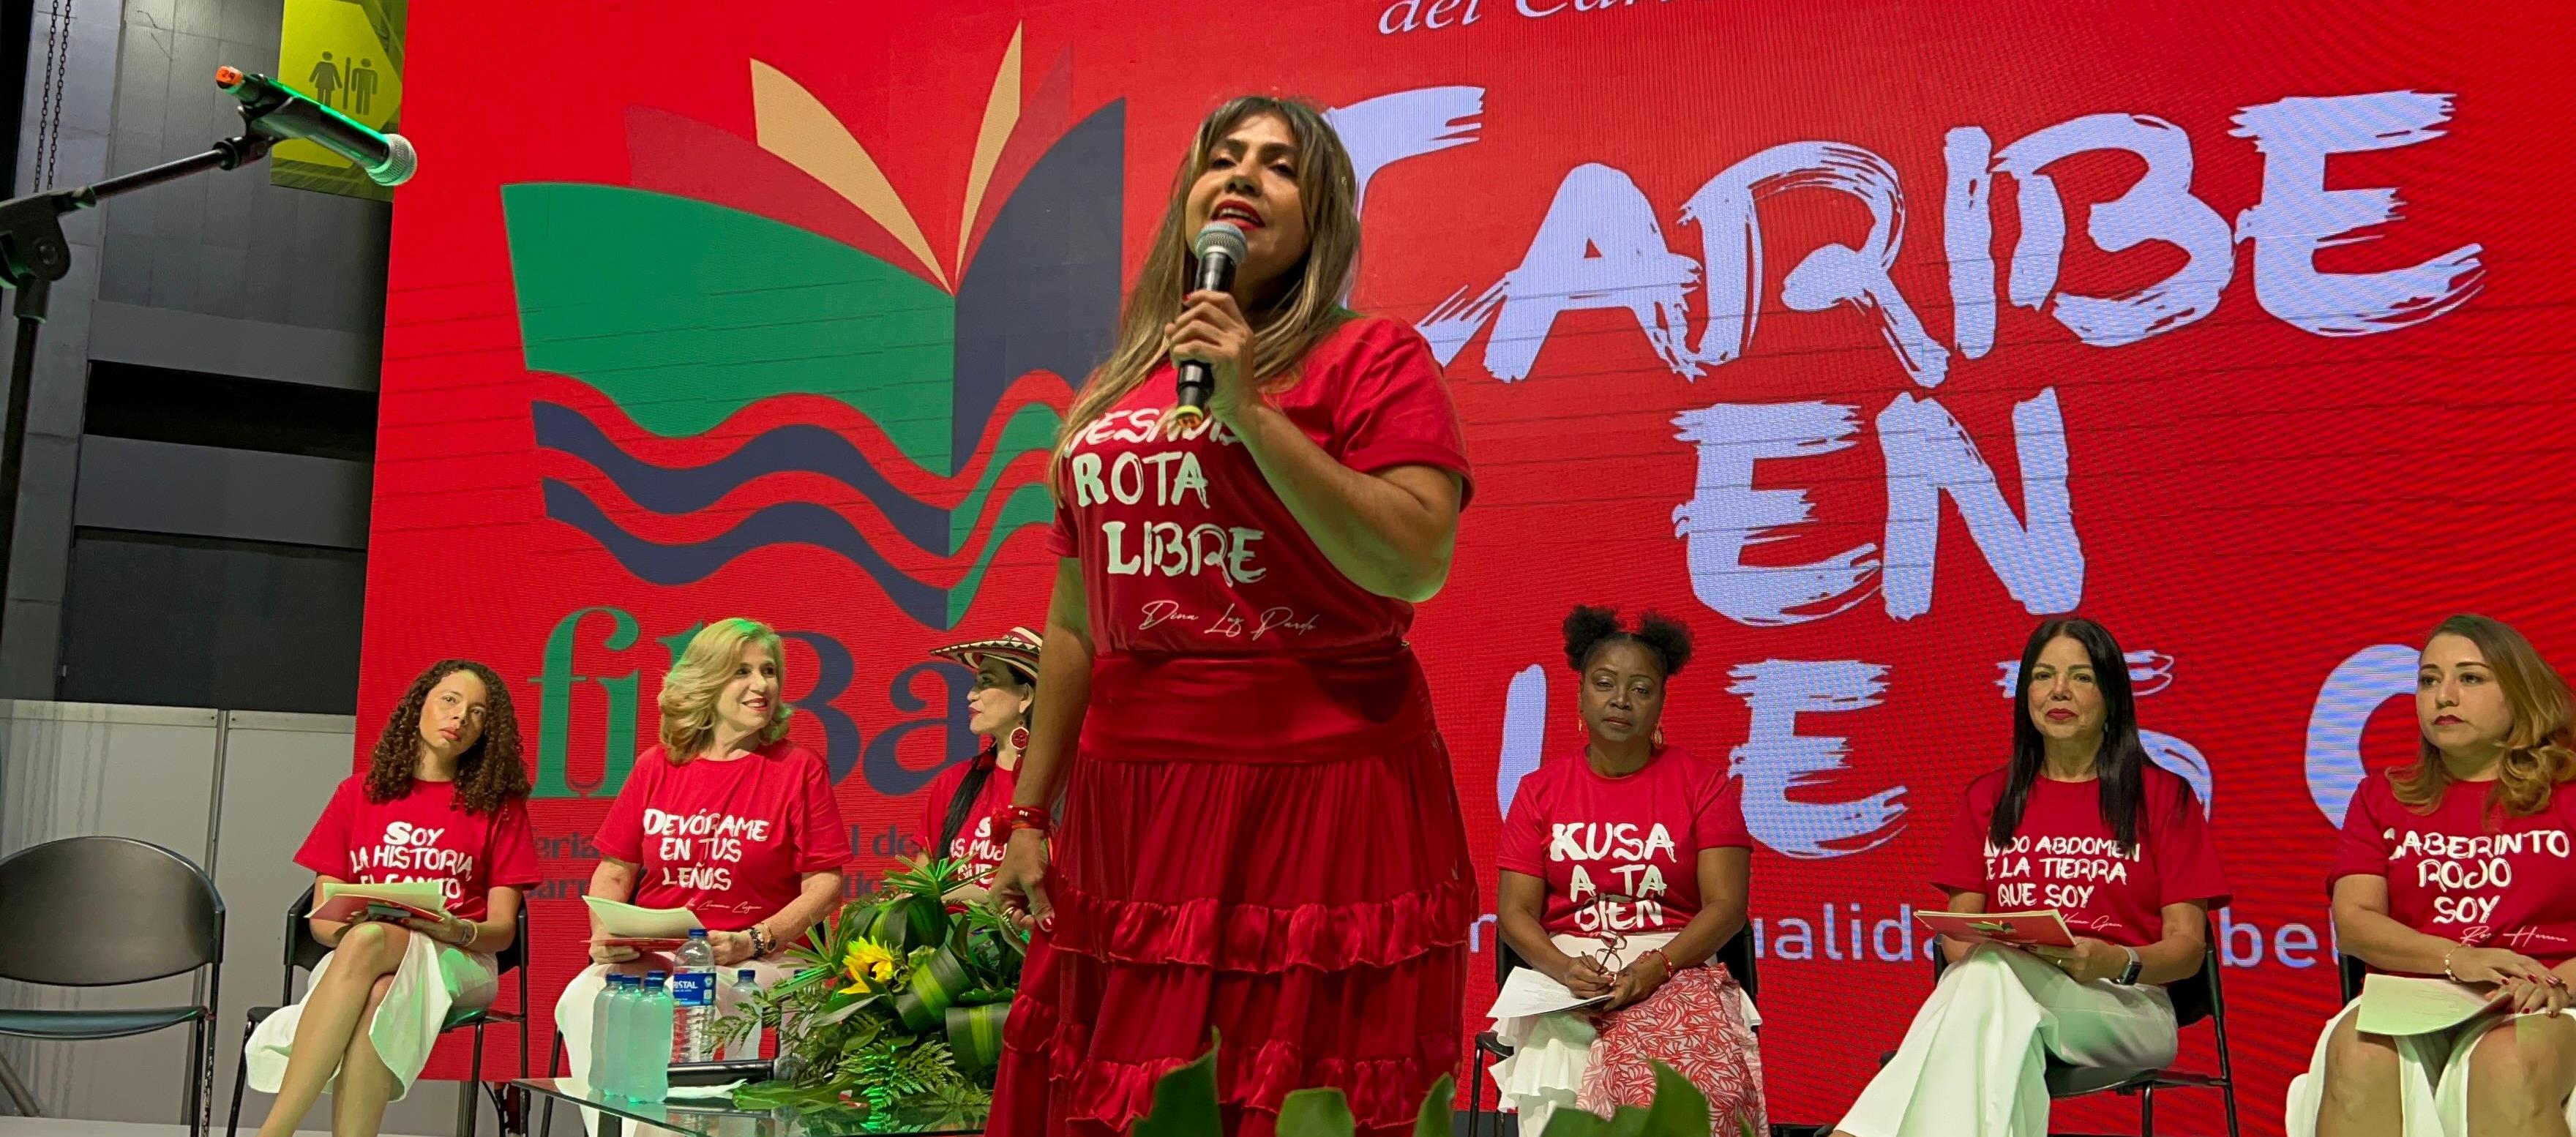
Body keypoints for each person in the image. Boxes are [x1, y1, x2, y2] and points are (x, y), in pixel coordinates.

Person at [984, 94, 1476, 1137]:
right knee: (1123, 1093)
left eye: (1281, 165)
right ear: (1192, 197)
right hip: (1133, 807)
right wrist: (1032, 809)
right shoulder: (1115, 389)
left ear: (1323, 214)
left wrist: (1249, 408)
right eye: (1225, 157)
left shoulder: (1372, 356)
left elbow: (1418, 556)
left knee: (1287, 1092)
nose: (1244, 176)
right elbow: (1077, 621)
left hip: (1316, 791)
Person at [1830, 617, 2231, 1137]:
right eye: (2043, 676)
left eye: (2081, 677)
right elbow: (1957, 937)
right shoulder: (1989, 798)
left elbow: (2185, 948)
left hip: (2126, 1006)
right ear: (2026, 694)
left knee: (1984, 991)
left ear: (2111, 694)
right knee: (1992, 999)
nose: (2059, 690)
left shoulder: (2162, 796)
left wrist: (2114, 959)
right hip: (2003, 994)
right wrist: (2012, 948)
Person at [2285, 614, 2576, 1137]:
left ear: (2519, 692)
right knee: (2355, 1048)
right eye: (2428, 679)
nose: (2444, 696)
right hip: (2422, 999)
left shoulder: (2569, 794)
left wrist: (2558, 983)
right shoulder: (2382, 796)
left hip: (2549, 995)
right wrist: (2456, 958)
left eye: (2470, 678)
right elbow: (2354, 922)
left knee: (2507, 1059)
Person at [553, 618, 850, 1115]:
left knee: (678, 1004)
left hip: (757, 960)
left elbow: (826, 886)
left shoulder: (797, 769)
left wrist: (755, 939)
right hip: (659, 954)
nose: (762, 686)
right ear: (707, 682)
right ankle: (620, 1128)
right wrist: (607, 934)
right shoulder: (658, 765)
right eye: (742, 672)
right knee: (583, 999)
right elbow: (613, 870)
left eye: (769, 671)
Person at [1490, 606, 1763, 1135]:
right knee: (1565, 1076)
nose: (1621, 699)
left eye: (1641, 689)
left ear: (1661, 702)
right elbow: (1514, 911)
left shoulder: (1703, 785)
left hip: (1676, 966)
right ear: (1581, 694)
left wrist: (1655, 968)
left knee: (1693, 1092)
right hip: (1568, 975)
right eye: (1605, 683)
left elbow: (1727, 908)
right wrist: (1561, 968)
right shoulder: (1539, 791)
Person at [244, 660, 540, 1137]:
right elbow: (321, 926)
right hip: (363, 963)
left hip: (460, 961)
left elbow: (503, 931)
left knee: (368, 943)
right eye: (449, 700)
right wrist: (361, 919)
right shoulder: (358, 794)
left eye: (479, 712)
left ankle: (273, 1132)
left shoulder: (498, 806)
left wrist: (451, 928)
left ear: (488, 731)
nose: (461, 717)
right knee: (379, 985)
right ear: (418, 705)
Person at [916, 627, 1041, 877]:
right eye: (976, 683)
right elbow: (918, 886)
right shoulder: (953, 782)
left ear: (1026, 695)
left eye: (987, 682)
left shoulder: (1065, 788)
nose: (971, 695)